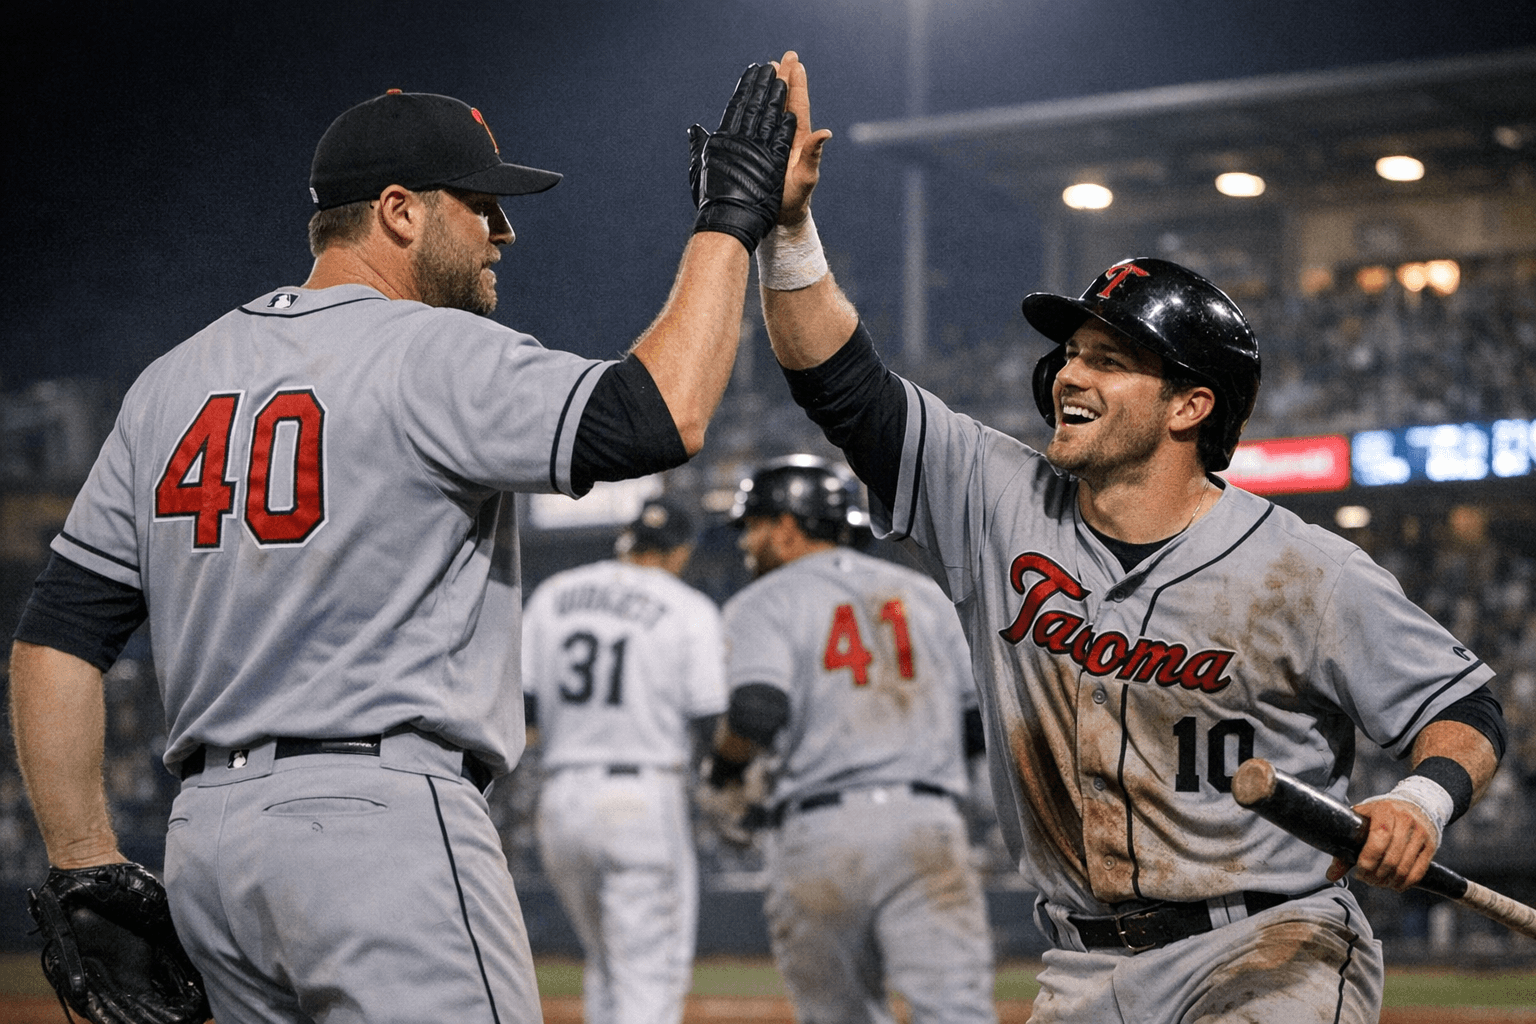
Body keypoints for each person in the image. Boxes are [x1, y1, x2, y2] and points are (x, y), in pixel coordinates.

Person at [8, 61, 795, 1023]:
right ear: (399, 211)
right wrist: (729, 223)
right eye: (481, 205)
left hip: (208, 848)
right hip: (382, 831)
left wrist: (84, 859)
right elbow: (658, 415)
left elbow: (57, 639)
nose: (504, 230)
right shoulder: (429, 350)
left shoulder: (170, 384)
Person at [746, 54, 1508, 1023]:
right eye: (1071, 351)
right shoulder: (994, 498)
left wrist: (1420, 802)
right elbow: (843, 387)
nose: (1070, 372)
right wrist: (786, 231)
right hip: (1082, 965)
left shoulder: (1301, 568)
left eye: (1111, 359)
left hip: (1270, 943)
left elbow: (1469, 706)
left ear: (1193, 404)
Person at [703, 454, 997, 1024]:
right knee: (956, 1011)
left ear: (788, 528)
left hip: (821, 831)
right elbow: (975, 720)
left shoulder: (763, 600)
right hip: (926, 824)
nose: (748, 542)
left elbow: (756, 710)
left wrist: (723, 774)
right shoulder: (924, 594)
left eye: (755, 526)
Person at [520, 495, 726, 1024]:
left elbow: (523, 706)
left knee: (608, 966)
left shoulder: (554, 594)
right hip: (639, 795)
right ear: (680, 550)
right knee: (648, 977)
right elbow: (709, 720)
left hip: (561, 800)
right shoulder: (687, 607)